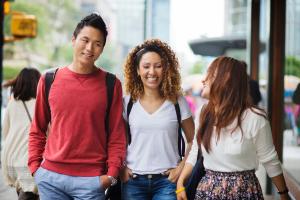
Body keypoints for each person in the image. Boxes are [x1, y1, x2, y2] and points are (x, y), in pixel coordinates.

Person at [28, 13, 126, 200]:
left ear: (102, 49)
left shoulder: (111, 84)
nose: (90, 48)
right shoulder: (49, 79)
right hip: (50, 179)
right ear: (73, 40)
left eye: (97, 44)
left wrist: (111, 175)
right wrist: (35, 168)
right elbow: (37, 129)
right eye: (85, 40)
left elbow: (116, 134)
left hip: (92, 181)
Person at [176, 56, 289, 200]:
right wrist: (180, 183)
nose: (204, 80)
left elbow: (270, 160)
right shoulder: (203, 112)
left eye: (211, 75)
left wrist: (284, 194)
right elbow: (195, 152)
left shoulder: (255, 118)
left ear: (226, 80)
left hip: (244, 191)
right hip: (208, 191)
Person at [120, 39, 195, 200]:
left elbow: (193, 140)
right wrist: (121, 168)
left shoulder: (178, 102)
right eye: (146, 66)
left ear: (166, 69)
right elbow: (118, 141)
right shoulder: (127, 103)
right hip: (133, 181)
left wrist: (181, 167)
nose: (152, 72)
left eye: (158, 66)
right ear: (138, 70)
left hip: (167, 181)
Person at [1, 67, 41, 200]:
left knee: (24, 191)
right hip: (27, 159)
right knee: (29, 194)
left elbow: (6, 132)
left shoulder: (12, 104)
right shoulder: (40, 105)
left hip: (10, 158)